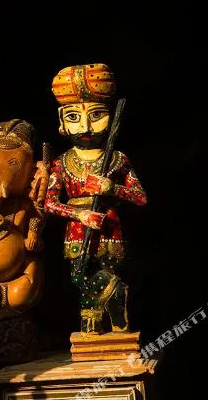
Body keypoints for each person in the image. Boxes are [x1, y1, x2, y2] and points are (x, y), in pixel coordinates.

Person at [44, 64, 147, 334]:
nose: (85, 126)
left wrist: (111, 188)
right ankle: (114, 294)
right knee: (80, 276)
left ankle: (109, 322)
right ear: (61, 123)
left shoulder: (117, 159)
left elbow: (140, 197)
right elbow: (50, 202)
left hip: (110, 230)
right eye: (73, 116)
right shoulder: (61, 163)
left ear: (111, 118)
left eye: (97, 115)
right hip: (78, 232)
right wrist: (79, 214)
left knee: (107, 271)